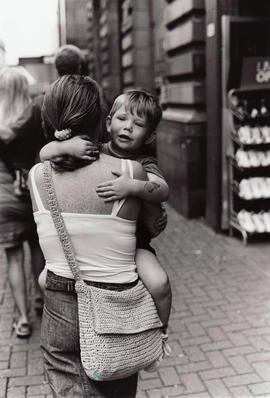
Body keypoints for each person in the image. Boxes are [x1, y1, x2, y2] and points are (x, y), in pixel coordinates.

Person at [29, 74, 165, 397]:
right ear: (101, 120)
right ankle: (164, 332)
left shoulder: (38, 176)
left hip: (59, 303)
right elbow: (157, 221)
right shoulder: (129, 172)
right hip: (117, 308)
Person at [39, 89, 172, 330]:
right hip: (96, 245)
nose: (128, 127)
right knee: (43, 280)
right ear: (109, 123)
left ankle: (159, 332)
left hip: (134, 244)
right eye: (122, 119)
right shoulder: (95, 150)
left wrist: (133, 186)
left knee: (160, 283)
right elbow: (44, 154)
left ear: (150, 136)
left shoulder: (144, 162)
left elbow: (163, 190)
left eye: (138, 124)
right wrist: (67, 147)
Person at [0, 66, 44, 337]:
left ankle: (24, 319)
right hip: (31, 190)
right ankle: (40, 298)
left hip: (3, 196)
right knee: (38, 247)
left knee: (13, 258)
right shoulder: (34, 118)